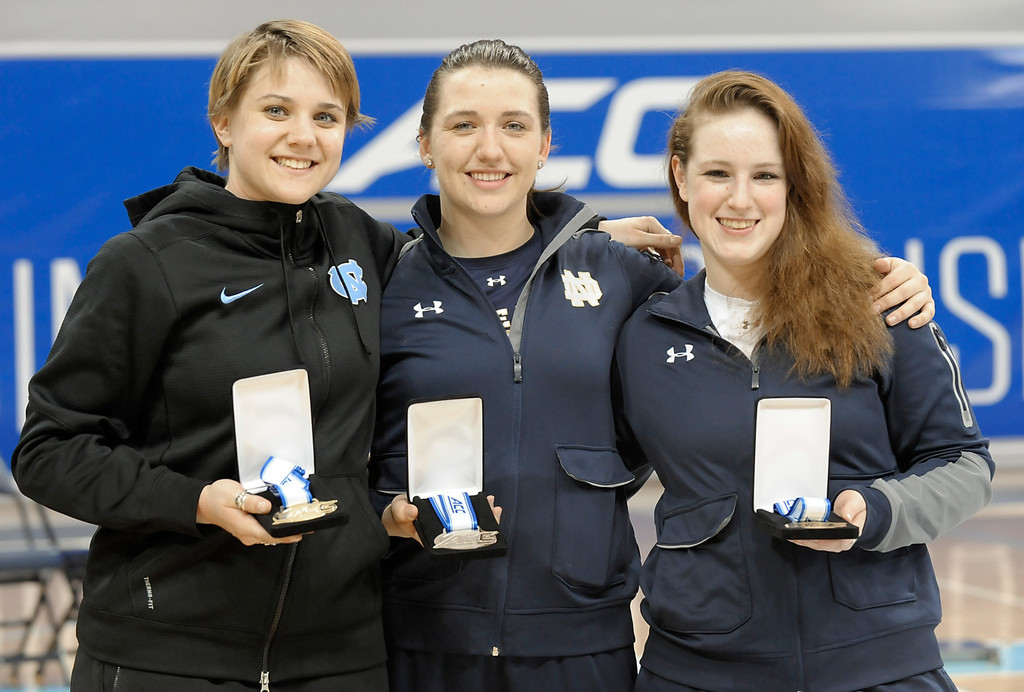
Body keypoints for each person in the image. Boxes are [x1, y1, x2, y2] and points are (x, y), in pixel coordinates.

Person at [370, 42, 936, 692]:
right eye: (464, 124)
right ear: (424, 143)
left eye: (515, 125)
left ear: (545, 144)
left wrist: (875, 280)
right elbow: (343, 446)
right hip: (423, 636)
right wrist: (387, 509)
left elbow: (729, 332)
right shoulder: (385, 283)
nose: (490, 148)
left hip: (584, 644)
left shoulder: (624, 277)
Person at [10, 19, 412, 691]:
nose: (304, 136)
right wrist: (197, 501)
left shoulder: (360, 243)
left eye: (326, 116)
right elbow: (49, 452)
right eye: (276, 111)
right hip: (168, 654)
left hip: (339, 653)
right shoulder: (146, 263)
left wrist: (577, 236)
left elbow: (475, 257)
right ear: (224, 124)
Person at [613, 70, 994, 692]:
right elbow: (594, 472)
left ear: (794, 184)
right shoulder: (641, 335)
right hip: (697, 671)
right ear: (681, 177)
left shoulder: (879, 304)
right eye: (717, 174)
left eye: (765, 175)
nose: (740, 200)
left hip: (880, 668)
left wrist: (877, 510)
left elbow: (964, 464)